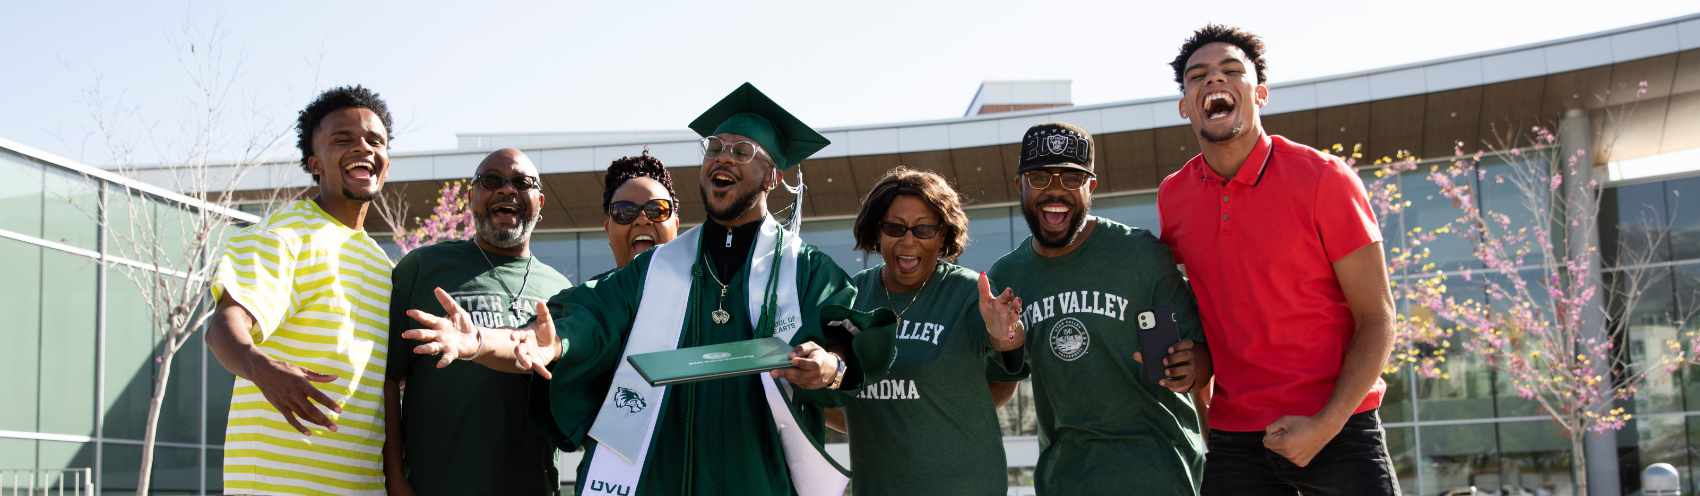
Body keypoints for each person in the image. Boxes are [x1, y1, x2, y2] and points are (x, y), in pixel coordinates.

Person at [401, 82, 897, 496]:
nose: (721, 158)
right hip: (657, 480)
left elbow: (853, 346)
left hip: (759, 478)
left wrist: (830, 367)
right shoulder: (656, 270)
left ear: (771, 174)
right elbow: (576, 325)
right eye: (715, 148)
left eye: (740, 151)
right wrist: (486, 342)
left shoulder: (805, 271)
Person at [1159, 25, 1400, 495]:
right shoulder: (1174, 197)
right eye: (1197, 76)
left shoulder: (1325, 178)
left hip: (1340, 429)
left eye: (1232, 71)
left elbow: (1378, 318)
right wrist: (1209, 408)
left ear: (1261, 93)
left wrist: (1326, 425)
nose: (1214, 81)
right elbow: (1201, 311)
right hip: (1237, 442)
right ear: (1185, 105)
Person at [987, 122, 1211, 494]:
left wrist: (1193, 365)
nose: (1055, 190)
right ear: (1020, 185)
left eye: (1071, 178)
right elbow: (1000, 380)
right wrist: (1004, 345)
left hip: (1160, 475)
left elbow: (1204, 358)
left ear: (1092, 187)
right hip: (1065, 481)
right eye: (1040, 177)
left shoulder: (1140, 254)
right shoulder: (1008, 277)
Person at [204, 85, 397, 495]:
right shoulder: (282, 236)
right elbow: (224, 327)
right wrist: (261, 367)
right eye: (342, 139)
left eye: (374, 140)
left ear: (386, 162)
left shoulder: (384, 266)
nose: (362, 148)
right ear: (315, 163)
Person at [383, 148, 572, 495]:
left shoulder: (562, 291)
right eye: (491, 181)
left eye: (521, 182)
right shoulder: (423, 268)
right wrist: (395, 477)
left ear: (540, 202)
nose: (506, 190)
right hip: (436, 484)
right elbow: (389, 379)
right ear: (472, 197)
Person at [829, 166, 1026, 495]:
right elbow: (828, 398)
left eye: (923, 230)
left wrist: (1005, 335)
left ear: (943, 236)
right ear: (877, 232)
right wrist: (886, 420)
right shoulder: (851, 298)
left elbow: (1008, 373)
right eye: (895, 227)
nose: (908, 241)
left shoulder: (967, 294)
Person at [601, 152, 680, 270]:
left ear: (676, 225)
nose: (642, 220)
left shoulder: (706, 286)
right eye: (625, 211)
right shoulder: (593, 289)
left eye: (657, 210)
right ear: (608, 230)